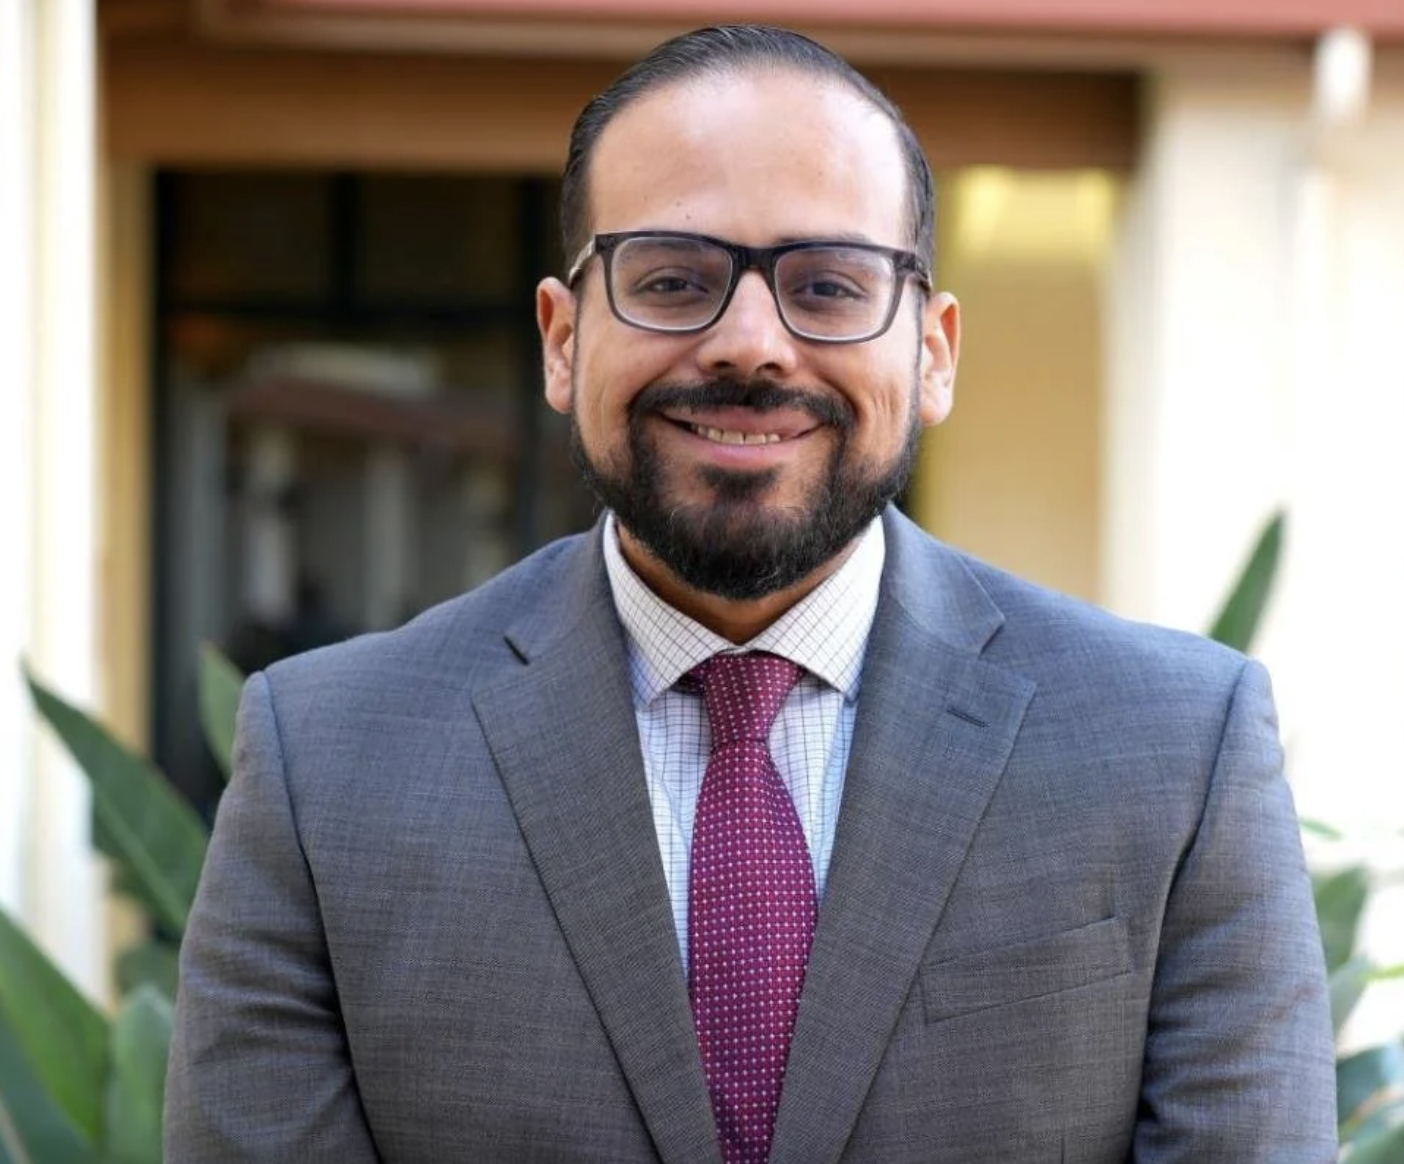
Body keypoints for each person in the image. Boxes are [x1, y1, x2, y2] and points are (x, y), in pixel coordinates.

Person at [164, 24, 1336, 1164]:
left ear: (932, 352)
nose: (750, 343)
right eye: (674, 278)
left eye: (828, 285)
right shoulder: (327, 766)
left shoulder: (1176, 753)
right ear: (562, 339)